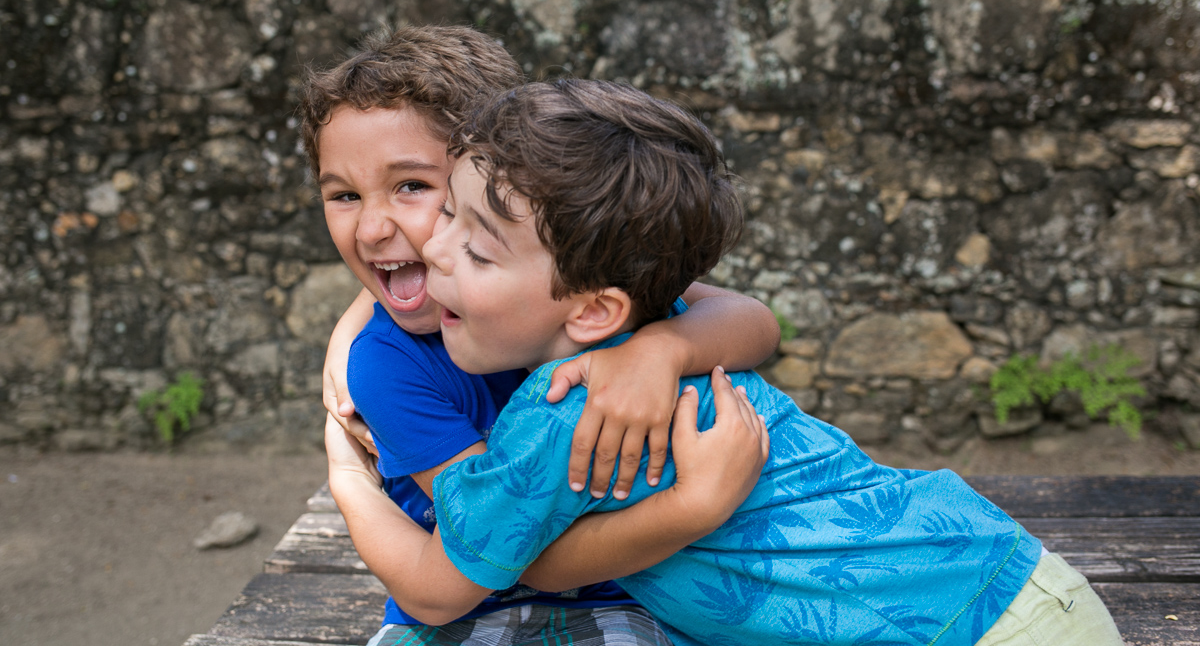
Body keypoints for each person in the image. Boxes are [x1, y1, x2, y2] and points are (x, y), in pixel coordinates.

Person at [326, 78, 1125, 646]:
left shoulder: (559, 415)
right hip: (1000, 578)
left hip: (972, 623)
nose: (430, 246)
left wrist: (346, 477)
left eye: (472, 244)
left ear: (595, 308)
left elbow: (434, 591)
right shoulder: (661, 318)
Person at [302, 26, 780, 645]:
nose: (369, 229)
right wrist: (347, 474)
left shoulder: (575, 291)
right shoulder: (389, 364)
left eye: (413, 186)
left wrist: (662, 349)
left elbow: (753, 321)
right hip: (479, 608)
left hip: (641, 597)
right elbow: (494, 565)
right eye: (343, 195)